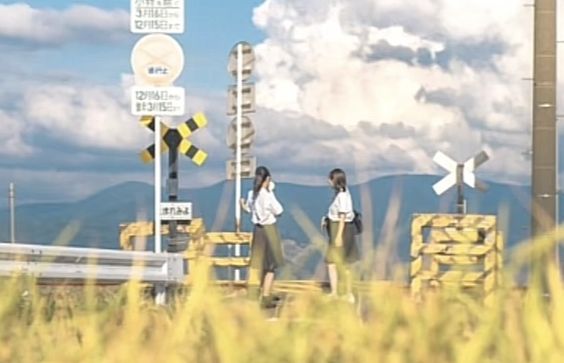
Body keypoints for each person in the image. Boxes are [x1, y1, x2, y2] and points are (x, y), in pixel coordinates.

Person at [241, 166, 285, 308]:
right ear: (267, 179)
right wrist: (270, 191)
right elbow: (279, 210)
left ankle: (255, 292)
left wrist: (243, 206)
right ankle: (266, 296)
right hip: (269, 230)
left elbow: (249, 209)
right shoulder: (266, 195)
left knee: (258, 264)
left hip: (258, 231)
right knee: (271, 265)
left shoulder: (251, 194)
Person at [322, 168, 359, 302]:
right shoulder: (342, 193)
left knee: (339, 262)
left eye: (330, 179)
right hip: (339, 227)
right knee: (339, 262)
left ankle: (343, 292)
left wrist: (338, 236)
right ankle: (339, 292)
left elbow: (342, 216)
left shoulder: (342, 195)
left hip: (342, 230)